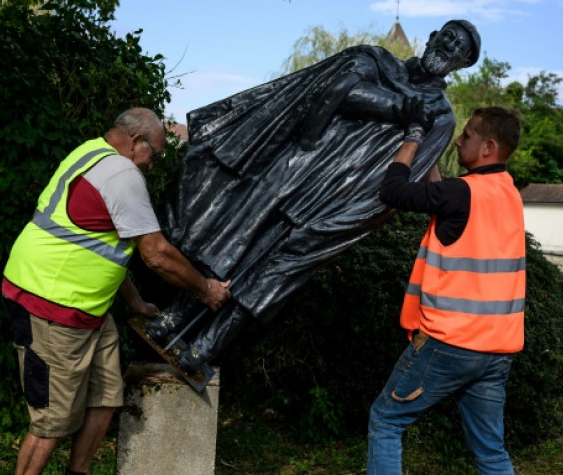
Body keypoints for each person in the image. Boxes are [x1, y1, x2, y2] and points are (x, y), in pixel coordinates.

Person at [143, 21, 482, 377]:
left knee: (273, 272)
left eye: (458, 47)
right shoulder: (377, 59)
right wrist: (401, 107)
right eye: (446, 36)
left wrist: (353, 219)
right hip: (297, 165)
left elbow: (408, 176)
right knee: (234, 237)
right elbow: (336, 90)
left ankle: (204, 348)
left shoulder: (441, 116)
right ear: (431, 37)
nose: (447, 46)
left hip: (340, 197)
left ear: (463, 62)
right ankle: (173, 316)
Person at [1, 107, 231, 475]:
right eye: (153, 154)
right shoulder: (122, 174)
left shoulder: (89, 152)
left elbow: (99, 245)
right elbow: (155, 254)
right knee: (51, 422)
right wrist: (206, 289)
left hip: (86, 305)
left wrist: (135, 301)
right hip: (51, 303)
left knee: (106, 396)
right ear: (136, 141)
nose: (153, 165)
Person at [366, 106, 526, 475]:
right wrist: (432, 151)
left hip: (451, 343)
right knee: (491, 452)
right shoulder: (508, 193)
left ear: (487, 147)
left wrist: (414, 137)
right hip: (497, 350)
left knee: (386, 421)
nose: (459, 140)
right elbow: (440, 194)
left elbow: (392, 191)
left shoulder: (462, 193)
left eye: (465, 135)